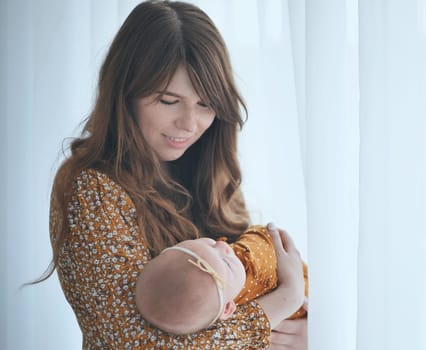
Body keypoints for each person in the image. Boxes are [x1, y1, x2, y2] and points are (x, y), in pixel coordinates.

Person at [43, 1, 307, 348]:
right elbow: (137, 342)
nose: (189, 124)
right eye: (169, 101)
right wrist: (280, 305)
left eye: (205, 103)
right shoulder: (93, 188)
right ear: (126, 93)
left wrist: (303, 333)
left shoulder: (207, 173)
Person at [135, 224, 308, 335]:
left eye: (205, 245)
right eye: (227, 264)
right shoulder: (253, 266)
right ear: (228, 309)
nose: (222, 246)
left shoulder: (209, 312)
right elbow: (266, 236)